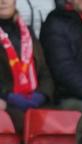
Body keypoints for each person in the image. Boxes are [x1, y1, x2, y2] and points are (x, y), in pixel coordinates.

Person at [0, 0, 53, 131]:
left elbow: (44, 71)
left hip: (34, 100)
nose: (3, 1)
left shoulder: (27, 32)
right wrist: (8, 97)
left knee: (58, 122)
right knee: (24, 123)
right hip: (5, 104)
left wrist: (42, 95)